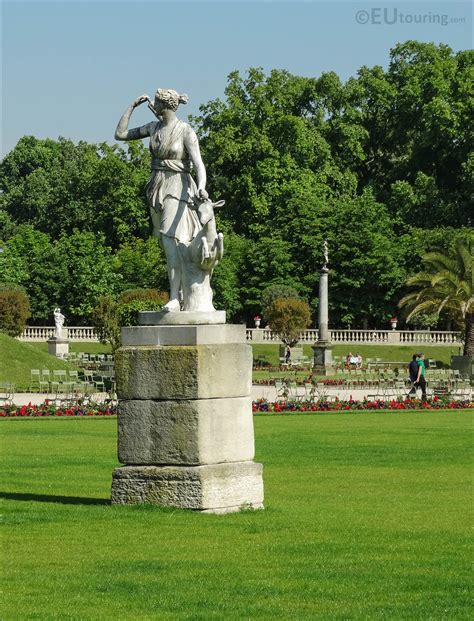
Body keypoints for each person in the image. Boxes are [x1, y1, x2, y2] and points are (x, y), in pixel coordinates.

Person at [115, 89, 208, 311]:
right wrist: (132, 107)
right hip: (156, 187)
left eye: (156, 102)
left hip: (179, 186)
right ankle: (180, 294)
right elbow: (120, 134)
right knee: (168, 244)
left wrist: (201, 188)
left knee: (172, 241)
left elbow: (199, 164)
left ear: (163, 106)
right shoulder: (152, 127)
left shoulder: (186, 131)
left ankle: (175, 297)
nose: (153, 105)